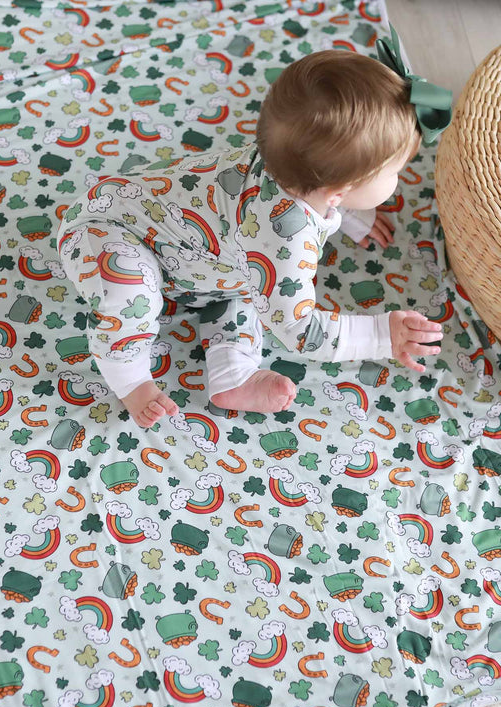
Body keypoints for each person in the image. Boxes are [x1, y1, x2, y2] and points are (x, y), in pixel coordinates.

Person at [56, 44, 450, 428]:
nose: (399, 179)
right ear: (340, 191)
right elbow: (301, 331)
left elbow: (321, 190)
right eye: (395, 171)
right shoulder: (282, 241)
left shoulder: (291, 160)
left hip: (204, 264)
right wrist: (381, 336)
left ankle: (233, 375)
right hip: (107, 231)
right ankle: (129, 378)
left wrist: (350, 217)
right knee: (133, 295)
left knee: (251, 295)